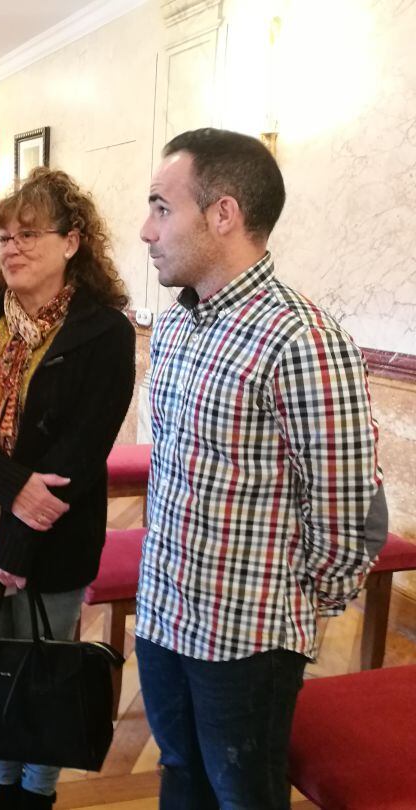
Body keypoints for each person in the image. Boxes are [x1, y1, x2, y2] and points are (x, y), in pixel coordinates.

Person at [136, 127, 388, 809]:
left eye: (162, 206)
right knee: (180, 771)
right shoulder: (175, 325)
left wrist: (295, 613)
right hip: (162, 610)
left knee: (242, 792)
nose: (145, 229)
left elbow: (347, 508)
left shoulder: (300, 336)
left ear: (224, 214)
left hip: (245, 631)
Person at [0, 167, 136, 810]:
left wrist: (20, 534)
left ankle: (36, 792)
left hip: (57, 525)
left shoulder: (106, 331)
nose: (10, 247)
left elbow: (82, 446)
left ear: (73, 242)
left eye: (27, 234)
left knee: (47, 657)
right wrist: (10, 487)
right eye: (2, 236)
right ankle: (2, 780)